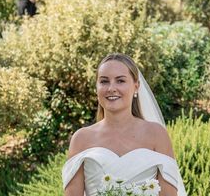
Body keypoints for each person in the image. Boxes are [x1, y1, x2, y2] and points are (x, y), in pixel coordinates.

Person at [62, 53, 186, 196]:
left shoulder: (157, 135)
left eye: (120, 81)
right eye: (104, 81)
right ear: (96, 88)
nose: (111, 88)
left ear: (136, 86)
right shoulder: (81, 139)